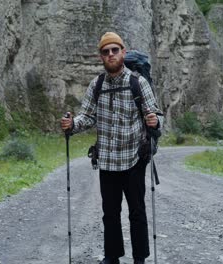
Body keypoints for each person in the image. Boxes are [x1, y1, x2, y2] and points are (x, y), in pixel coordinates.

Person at [60, 32, 164, 264]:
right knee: (110, 214)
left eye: (114, 50)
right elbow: (86, 117)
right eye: (105, 52)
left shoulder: (138, 83)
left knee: (137, 212)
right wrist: (71, 125)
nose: (110, 55)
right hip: (107, 160)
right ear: (101, 57)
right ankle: (112, 257)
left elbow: (157, 115)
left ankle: (139, 259)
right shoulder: (96, 85)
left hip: (134, 159)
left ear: (123, 52)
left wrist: (155, 121)